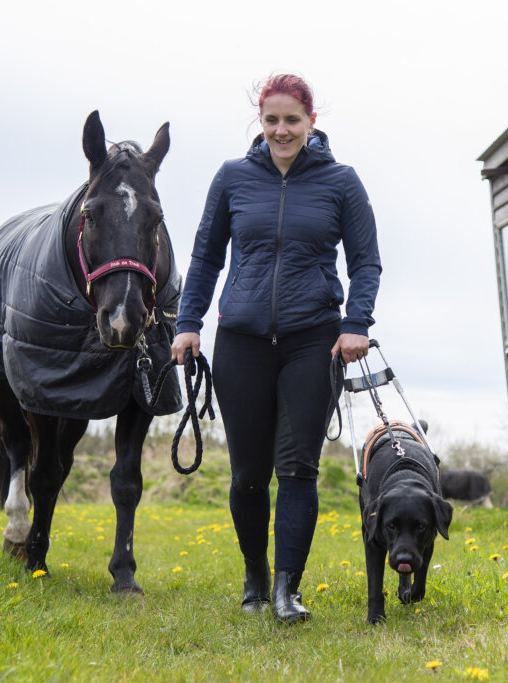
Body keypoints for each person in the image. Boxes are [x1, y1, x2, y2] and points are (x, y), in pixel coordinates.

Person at [172, 74, 381, 623]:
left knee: (297, 469)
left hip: (313, 339)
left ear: (312, 122)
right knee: (246, 473)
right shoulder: (233, 177)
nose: (281, 130)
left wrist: (355, 322)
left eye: (292, 120)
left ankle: (288, 589)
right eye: (271, 120)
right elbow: (205, 258)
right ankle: (255, 578)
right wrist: (187, 322)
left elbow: (365, 263)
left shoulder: (342, 182)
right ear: (259, 124)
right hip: (241, 341)